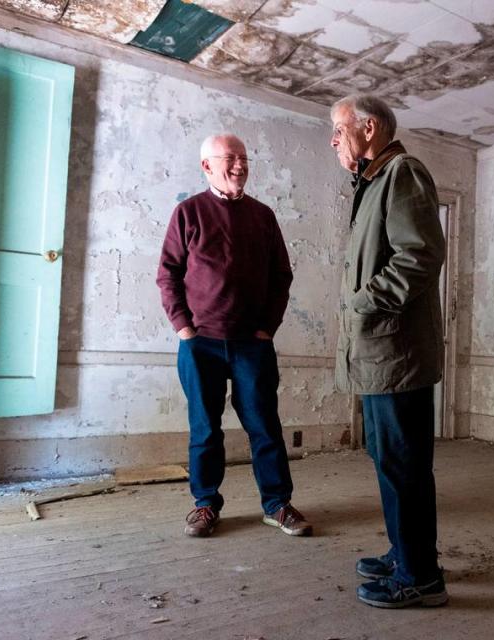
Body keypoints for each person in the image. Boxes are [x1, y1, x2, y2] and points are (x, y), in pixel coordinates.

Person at [157, 133, 312, 539]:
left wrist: (267, 328)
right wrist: (184, 328)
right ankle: (205, 504)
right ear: (207, 166)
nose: (240, 165)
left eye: (244, 158)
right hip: (200, 344)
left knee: (265, 426)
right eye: (231, 158)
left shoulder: (263, 216)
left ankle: (277, 504)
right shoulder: (187, 213)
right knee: (205, 428)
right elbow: (168, 273)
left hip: (252, 344)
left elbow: (282, 275)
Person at [329, 95, 447, 608]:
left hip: (396, 354)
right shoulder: (373, 181)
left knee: (404, 466)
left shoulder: (402, 173)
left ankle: (421, 577)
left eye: (338, 129)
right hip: (380, 356)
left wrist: (362, 304)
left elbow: (420, 256)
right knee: (390, 461)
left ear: (368, 128)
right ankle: (406, 553)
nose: (334, 139)